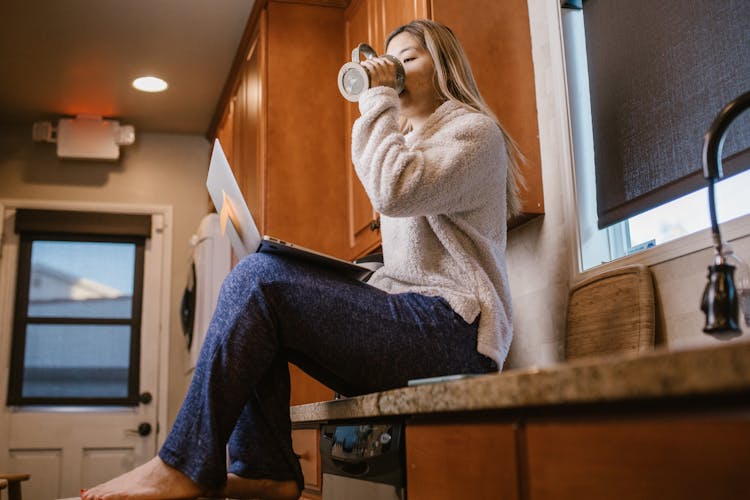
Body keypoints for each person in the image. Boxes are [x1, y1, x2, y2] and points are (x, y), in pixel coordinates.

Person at [81, 18, 523, 500]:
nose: (391, 67)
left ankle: (184, 465)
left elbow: (394, 190)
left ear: (445, 65)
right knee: (259, 283)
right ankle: (262, 469)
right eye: (388, 58)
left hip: (456, 336)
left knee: (260, 281)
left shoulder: (474, 132)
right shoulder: (408, 143)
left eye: (407, 58)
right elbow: (411, 259)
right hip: (423, 324)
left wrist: (376, 97)